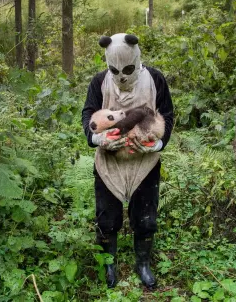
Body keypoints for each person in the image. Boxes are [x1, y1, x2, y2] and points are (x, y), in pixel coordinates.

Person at [82, 33, 173, 289]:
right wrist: (98, 139)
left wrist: (158, 143)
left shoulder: (155, 79)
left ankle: (142, 263)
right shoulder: (99, 82)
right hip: (109, 162)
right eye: (115, 70)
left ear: (137, 57)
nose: (121, 76)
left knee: (146, 218)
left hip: (145, 163)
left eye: (128, 69)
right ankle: (109, 263)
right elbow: (88, 114)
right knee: (106, 217)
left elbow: (167, 113)